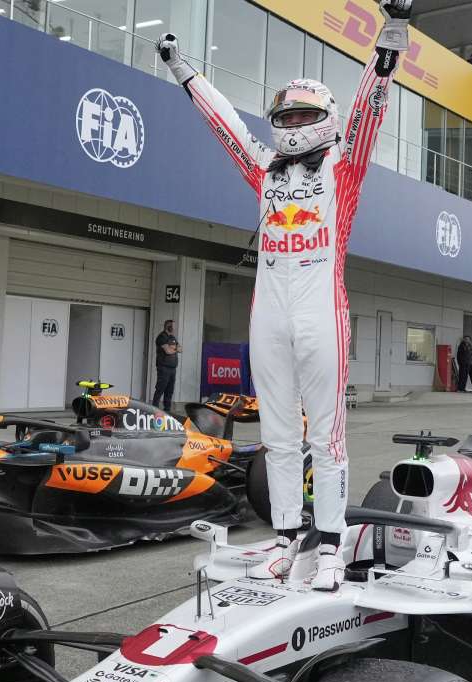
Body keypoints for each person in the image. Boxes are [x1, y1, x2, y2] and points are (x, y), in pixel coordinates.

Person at [156, 0, 412, 590]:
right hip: (268, 308)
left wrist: (391, 37)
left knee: (326, 435)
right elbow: (225, 125)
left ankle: (329, 549)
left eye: (303, 117)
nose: (292, 125)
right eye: (286, 117)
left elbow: (372, 108)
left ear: (322, 118)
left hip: (322, 305)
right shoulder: (265, 168)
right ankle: (287, 542)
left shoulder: (344, 165)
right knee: (276, 436)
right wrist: (182, 70)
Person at [152, 320, 179, 410]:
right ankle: (154, 409)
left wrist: (173, 348)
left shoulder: (173, 338)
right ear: (169, 326)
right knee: (160, 389)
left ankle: (167, 410)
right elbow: (168, 351)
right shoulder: (161, 337)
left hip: (172, 369)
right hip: (163, 368)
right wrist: (174, 348)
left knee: (169, 391)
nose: (174, 328)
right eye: (173, 326)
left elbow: (181, 348)